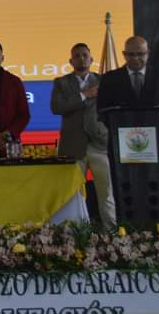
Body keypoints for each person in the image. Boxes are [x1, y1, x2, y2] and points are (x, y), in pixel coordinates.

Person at [97, 36, 159, 220]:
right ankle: (126, 228)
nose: (136, 58)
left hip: (157, 144)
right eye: (131, 54)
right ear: (124, 54)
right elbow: (102, 110)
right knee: (124, 188)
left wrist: (156, 134)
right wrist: (120, 134)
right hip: (122, 147)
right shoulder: (110, 79)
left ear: (148, 53)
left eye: (140, 54)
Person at [51, 43, 115, 228]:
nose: (81, 58)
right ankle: (75, 233)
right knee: (72, 195)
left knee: (107, 193)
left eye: (84, 55)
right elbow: (57, 107)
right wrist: (84, 95)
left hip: (99, 144)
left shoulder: (104, 81)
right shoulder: (61, 82)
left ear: (91, 59)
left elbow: (111, 107)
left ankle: (112, 232)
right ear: (70, 61)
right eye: (77, 56)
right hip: (73, 146)